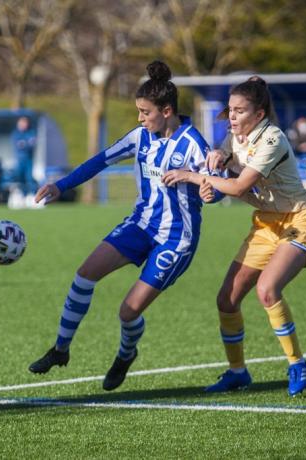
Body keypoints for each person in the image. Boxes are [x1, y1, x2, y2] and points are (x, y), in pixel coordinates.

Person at [29, 61, 221, 391]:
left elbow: (217, 189)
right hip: (140, 224)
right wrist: (62, 185)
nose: (139, 118)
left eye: (145, 112)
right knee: (84, 273)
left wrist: (209, 189)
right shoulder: (140, 137)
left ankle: (125, 354)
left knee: (127, 313)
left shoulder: (194, 144)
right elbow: (100, 160)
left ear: (167, 110)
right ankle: (60, 349)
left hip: (177, 239)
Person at [162, 76, 306, 396]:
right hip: (265, 224)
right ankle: (237, 372)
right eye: (230, 110)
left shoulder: (272, 139)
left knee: (267, 289)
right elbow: (224, 178)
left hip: (298, 222)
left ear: (259, 114)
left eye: (239, 111)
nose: (232, 117)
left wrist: (194, 177)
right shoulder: (234, 137)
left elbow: (237, 186)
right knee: (227, 299)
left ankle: (297, 363)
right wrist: (213, 178)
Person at [11, 116, 37, 202]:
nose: (23, 125)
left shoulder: (31, 132)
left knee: (29, 177)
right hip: (19, 160)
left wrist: (24, 144)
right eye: (21, 123)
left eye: (24, 123)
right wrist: (25, 144)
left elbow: (31, 144)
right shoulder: (16, 133)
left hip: (28, 159)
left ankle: (33, 196)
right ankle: (23, 195)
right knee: (20, 178)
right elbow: (17, 144)